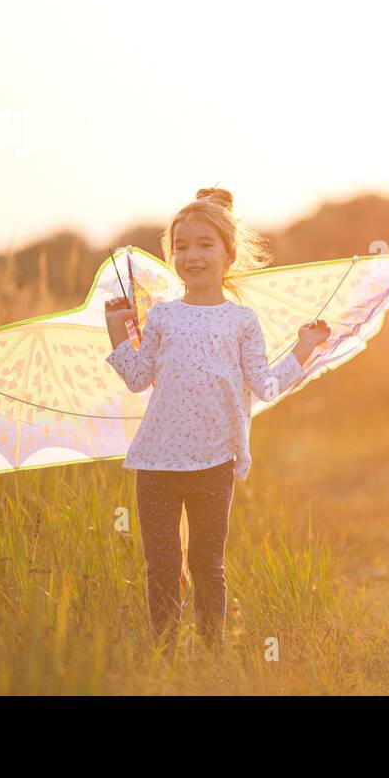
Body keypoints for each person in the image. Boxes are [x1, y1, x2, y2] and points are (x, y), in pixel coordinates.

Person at [103, 186, 330, 646]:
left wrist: (304, 349)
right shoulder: (163, 316)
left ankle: (212, 651)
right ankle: (164, 652)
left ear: (227, 255)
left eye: (205, 244)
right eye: (181, 246)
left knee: (207, 561)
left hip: (214, 462)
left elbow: (265, 385)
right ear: (171, 257)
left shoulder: (242, 321)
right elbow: (137, 378)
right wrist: (119, 333)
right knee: (162, 564)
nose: (192, 255)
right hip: (156, 464)